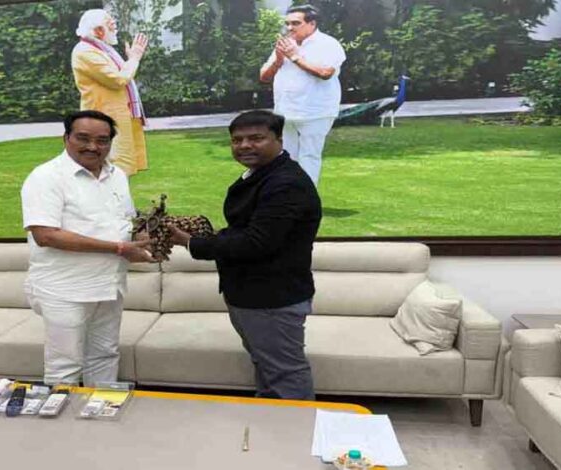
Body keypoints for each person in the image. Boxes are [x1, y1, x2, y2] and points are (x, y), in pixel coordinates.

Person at [168, 110, 322, 400]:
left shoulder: (285, 184)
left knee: (285, 373)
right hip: (252, 295)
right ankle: (270, 418)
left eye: (256, 138)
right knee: (267, 366)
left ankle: (297, 425)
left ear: (279, 139)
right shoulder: (263, 175)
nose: (244, 145)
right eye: (237, 140)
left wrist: (191, 243)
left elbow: (256, 243)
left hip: (271, 298)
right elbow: (247, 228)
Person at [21, 110, 154, 387]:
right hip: (64, 290)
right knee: (65, 365)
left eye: (102, 140)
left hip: (109, 285)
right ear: (66, 138)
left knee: (105, 354)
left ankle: (100, 410)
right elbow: (46, 235)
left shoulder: (117, 175)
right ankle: (62, 416)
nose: (93, 146)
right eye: (83, 138)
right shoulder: (45, 177)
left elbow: (122, 222)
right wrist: (120, 248)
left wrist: (146, 238)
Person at [259, 4, 345, 186]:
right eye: (287, 23)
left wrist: (295, 57)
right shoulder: (286, 44)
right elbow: (264, 77)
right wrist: (278, 60)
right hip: (285, 111)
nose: (290, 28)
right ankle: (288, 194)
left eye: (296, 23)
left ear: (312, 23)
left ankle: (306, 197)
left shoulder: (328, 44)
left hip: (315, 111)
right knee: (285, 156)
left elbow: (325, 73)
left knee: (309, 156)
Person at [71, 9, 149, 177]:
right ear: (98, 30)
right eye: (110, 23)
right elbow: (118, 80)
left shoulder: (101, 49)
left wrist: (132, 59)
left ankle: (119, 195)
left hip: (116, 116)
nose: (114, 26)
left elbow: (121, 76)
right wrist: (134, 59)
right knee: (110, 167)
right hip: (103, 119)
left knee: (120, 168)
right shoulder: (85, 52)